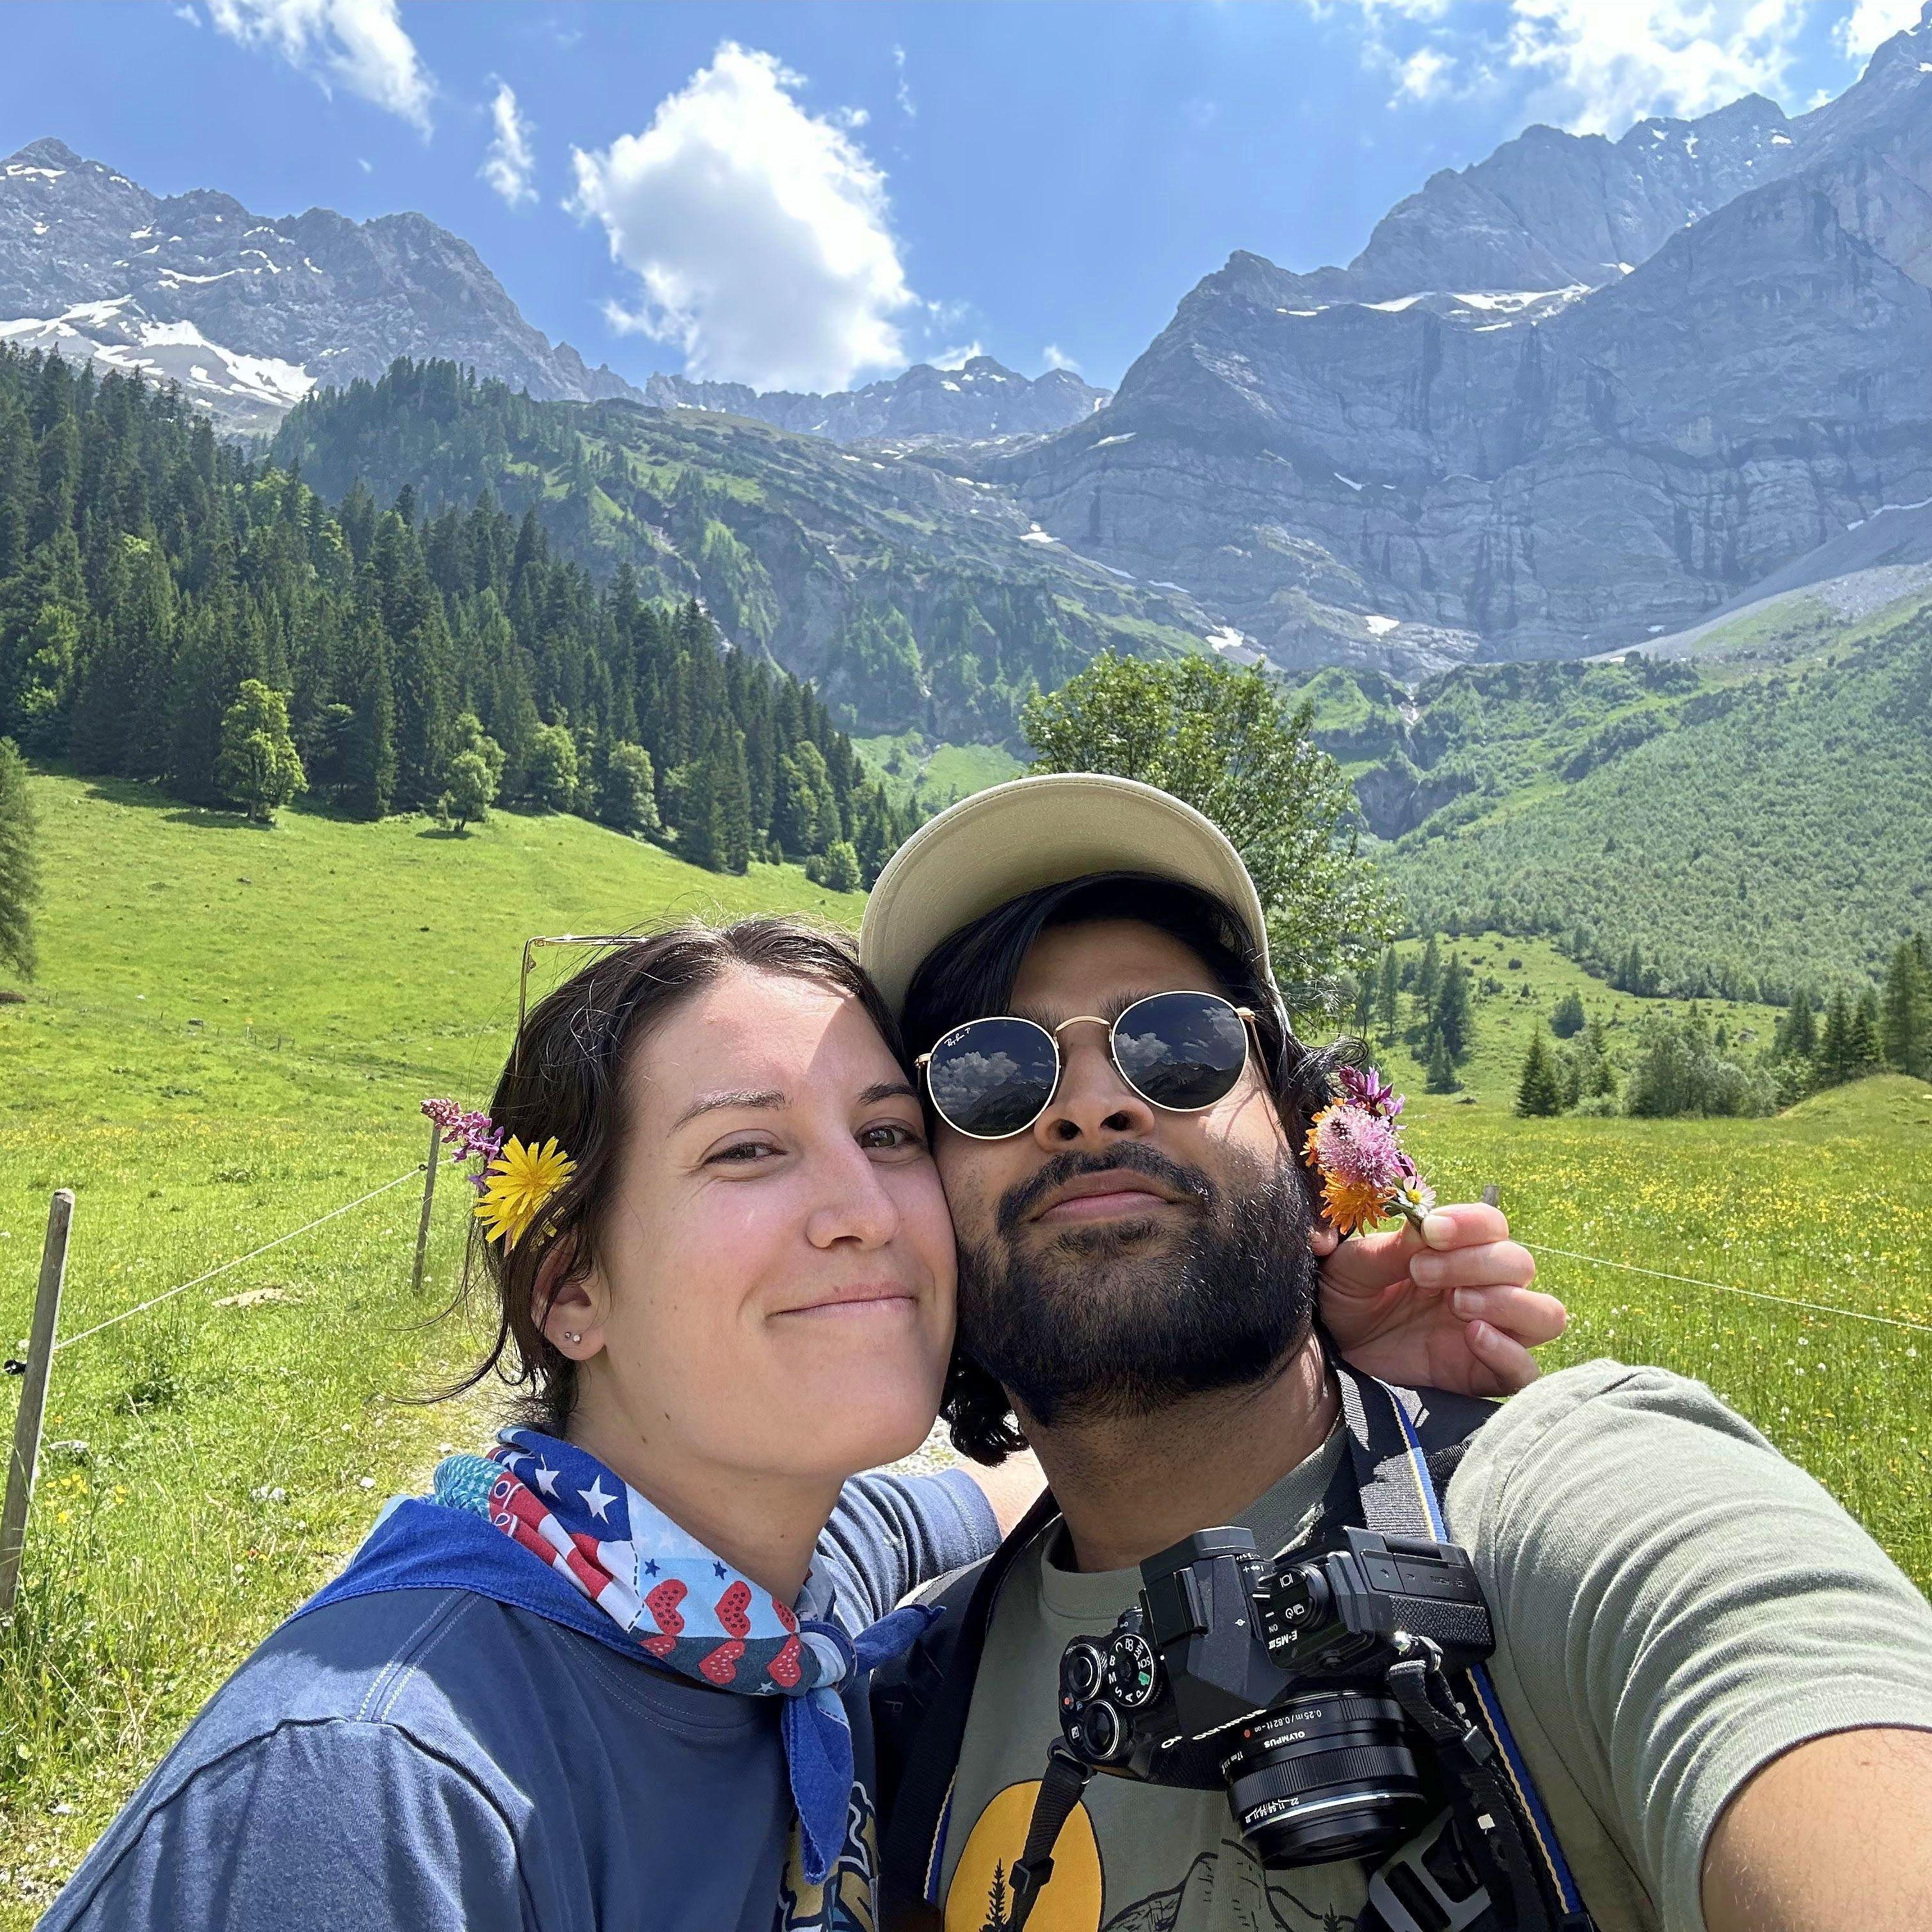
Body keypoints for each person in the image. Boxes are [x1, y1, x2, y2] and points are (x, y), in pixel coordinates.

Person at [38, 915, 1549, 1932]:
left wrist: (1294, 1332)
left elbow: (999, 1488)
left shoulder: (787, 1583)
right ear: (572, 1289)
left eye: (890, 1134)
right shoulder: (378, 1790)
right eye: (748, 1149)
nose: (860, 1213)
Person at [860, 772, 1932, 1932]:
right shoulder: (895, 1697)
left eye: (1176, 1046)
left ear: (1316, 1163)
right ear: (920, 1209)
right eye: (992, 1076)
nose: (1090, 1106)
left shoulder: (1564, 1515)